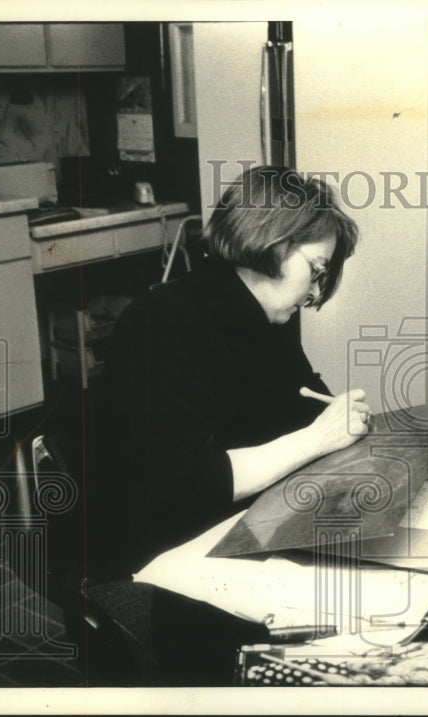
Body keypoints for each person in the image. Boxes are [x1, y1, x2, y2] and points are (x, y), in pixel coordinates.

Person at [87, 166, 368, 580]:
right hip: (165, 552)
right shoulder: (160, 323)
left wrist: (341, 427)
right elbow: (187, 485)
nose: (313, 294)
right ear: (275, 245)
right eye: (317, 271)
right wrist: (319, 437)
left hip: (244, 521)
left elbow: (302, 404)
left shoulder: (268, 316)